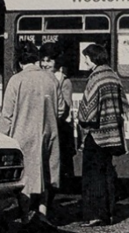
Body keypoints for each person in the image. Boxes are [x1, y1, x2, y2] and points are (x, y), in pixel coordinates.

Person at [0, 41, 60, 218]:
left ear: (19, 61)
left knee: (25, 179)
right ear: (37, 59)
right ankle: (43, 214)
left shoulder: (16, 80)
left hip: (22, 136)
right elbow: (62, 109)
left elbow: (7, 115)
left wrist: (3, 139)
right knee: (45, 176)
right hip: (48, 134)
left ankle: (26, 216)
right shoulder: (51, 79)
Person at [77, 44, 129, 227]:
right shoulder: (113, 76)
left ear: (92, 59)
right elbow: (125, 105)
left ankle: (94, 215)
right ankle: (108, 214)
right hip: (113, 134)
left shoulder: (96, 78)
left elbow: (86, 113)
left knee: (92, 176)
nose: (84, 61)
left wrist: (81, 121)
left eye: (86, 57)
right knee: (107, 173)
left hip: (97, 134)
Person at [40, 42, 76, 181]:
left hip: (59, 128)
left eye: (49, 61)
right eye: (42, 60)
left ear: (57, 62)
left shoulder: (63, 81)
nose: (45, 64)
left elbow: (64, 109)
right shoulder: (39, 77)